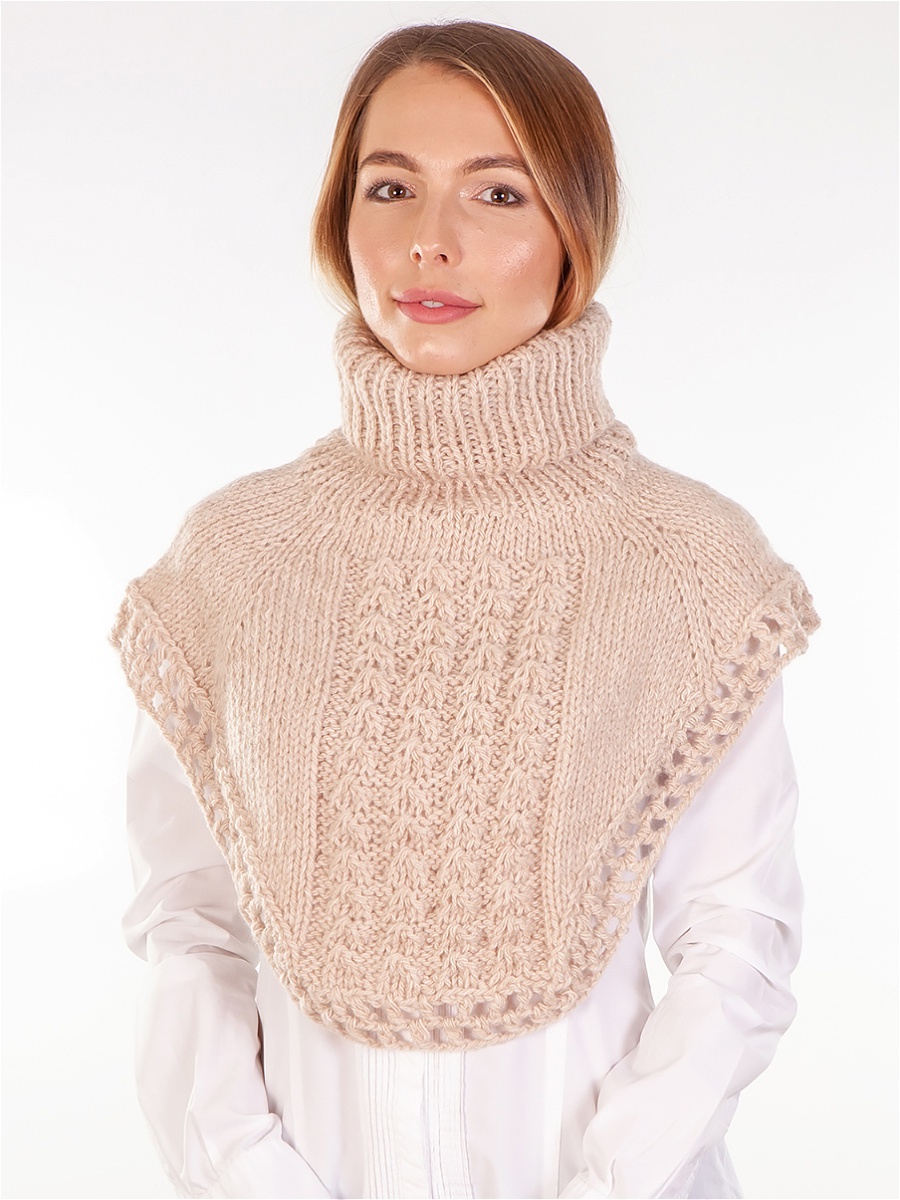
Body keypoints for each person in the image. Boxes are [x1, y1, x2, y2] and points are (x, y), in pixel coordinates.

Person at [111, 20, 819, 1200]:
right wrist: (251, 1178)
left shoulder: (691, 566)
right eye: (390, 187)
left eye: (497, 193)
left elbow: (735, 950)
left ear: (575, 235)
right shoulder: (234, 561)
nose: (429, 240)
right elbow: (190, 929)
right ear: (340, 221)